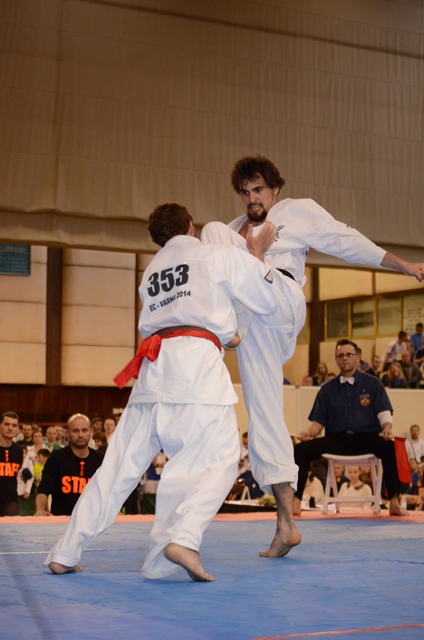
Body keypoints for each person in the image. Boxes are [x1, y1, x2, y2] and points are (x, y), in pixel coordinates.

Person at [201, 155, 424, 557]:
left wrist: (404, 265)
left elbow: (347, 241)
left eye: (259, 190)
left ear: (275, 189)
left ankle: (226, 328)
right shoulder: (233, 231)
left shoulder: (295, 211)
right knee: (264, 414)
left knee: (219, 239)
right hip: (252, 322)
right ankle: (285, 525)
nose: (252, 199)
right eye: (245, 192)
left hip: (280, 297)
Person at [43, 202, 277, 582]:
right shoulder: (214, 254)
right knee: (219, 458)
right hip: (195, 370)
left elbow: (201, 317)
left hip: (153, 371)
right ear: (191, 226)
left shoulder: (151, 271)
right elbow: (266, 299)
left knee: (116, 469)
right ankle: (183, 539)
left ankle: (65, 552)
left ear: (157, 238)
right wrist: (257, 253)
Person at [293, 339, 406, 517]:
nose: (344, 358)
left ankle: (393, 501)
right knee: (301, 450)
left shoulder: (373, 384)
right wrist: (308, 433)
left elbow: (384, 412)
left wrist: (387, 428)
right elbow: (318, 422)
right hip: (336, 440)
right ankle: (295, 501)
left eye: (348, 354)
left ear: (358, 357)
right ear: (336, 360)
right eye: (340, 356)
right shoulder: (326, 390)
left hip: (366, 439)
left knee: (389, 447)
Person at [35, 414, 103, 516]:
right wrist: (40, 510)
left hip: (93, 521)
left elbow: (109, 492)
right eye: (75, 431)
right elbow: (43, 489)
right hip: (61, 521)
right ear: (67, 433)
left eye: (84, 430)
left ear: (91, 431)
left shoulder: (101, 460)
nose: (80, 435)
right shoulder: (56, 458)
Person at [0, 412, 23, 516]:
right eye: (6, 424)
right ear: (0, 426)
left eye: (14, 425)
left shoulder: (19, 451)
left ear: (18, 429)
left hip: (11, 505)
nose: (10, 428)